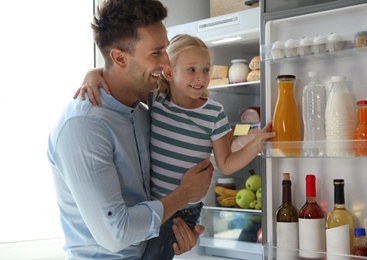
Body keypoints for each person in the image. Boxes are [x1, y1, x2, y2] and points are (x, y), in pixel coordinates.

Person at [76, 33, 275, 259]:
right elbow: (119, 78)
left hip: (185, 211)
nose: (200, 78)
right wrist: (92, 74)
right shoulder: (157, 99)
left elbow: (226, 164)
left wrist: (256, 144)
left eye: (206, 70)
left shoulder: (214, 113)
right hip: (154, 204)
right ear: (169, 73)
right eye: (191, 70)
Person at [47, 1, 214, 259]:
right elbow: (117, 234)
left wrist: (175, 231)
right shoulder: (84, 126)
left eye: (166, 50)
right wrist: (184, 195)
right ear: (119, 58)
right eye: (156, 53)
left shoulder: (143, 113)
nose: (167, 61)